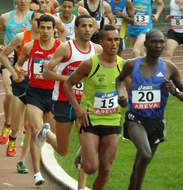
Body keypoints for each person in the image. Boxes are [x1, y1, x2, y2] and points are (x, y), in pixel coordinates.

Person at [116, 29, 183, 190]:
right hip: (136, 118)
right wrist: (121, 94)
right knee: (145, 153)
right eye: (154, 42)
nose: (158, 45)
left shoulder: (170, 68)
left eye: (162, 42)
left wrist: (175, 91)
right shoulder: (131, 64)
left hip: (156, 121)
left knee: (141, 162)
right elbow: (119, 79)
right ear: (146, 44)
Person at [38, 14, 102, 190]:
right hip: (63, 101)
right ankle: (46, 134)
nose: (87, 29)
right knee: (63, 150)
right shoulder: (66, 48)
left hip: (85, 104)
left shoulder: (96, 50)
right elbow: (46, 73)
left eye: (90, 26)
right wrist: (70, 79)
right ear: (76, 28)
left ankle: (81, 187)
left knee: (87, 150)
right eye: (83, 26)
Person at [61, 24, 123, 190]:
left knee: (106, 168)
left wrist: (124, 98)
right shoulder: (90, 63)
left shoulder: (122, 65)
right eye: (109, 40)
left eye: (116, 40)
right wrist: (77, 108)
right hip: (90, 121)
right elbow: (67, 84)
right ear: (101, 42)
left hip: (112, 120)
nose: (113, 43)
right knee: (90, 167)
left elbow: (127, 90)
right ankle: (83, 153)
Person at [15, 14, 61, 186]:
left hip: (53, 94)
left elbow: (69, 66)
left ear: (54, 30)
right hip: (34, 93)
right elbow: (19, 64)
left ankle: (46, 136)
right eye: (42, 27)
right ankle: (36, 173)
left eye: (49, 28)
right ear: (37, 28)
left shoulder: (60, 47)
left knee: (49, 138)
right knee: (35, 129)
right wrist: (19, 72)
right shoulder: (29, 46)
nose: (45, 31)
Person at [0, 10, 45, 173]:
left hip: (37, 87)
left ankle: (22, 161)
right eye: (37, 20)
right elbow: (4, 56)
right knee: (17, 125)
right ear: (31, 21)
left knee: (31, 126)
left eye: (42, 21)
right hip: (21, 83)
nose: (39, 24)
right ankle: (12, 137)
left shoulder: (48, 41)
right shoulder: (21, 38)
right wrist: (13, 72)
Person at [0, 0, 32, 145]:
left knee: (27, 99)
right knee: (9, 93)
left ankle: (23, 130)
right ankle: (7, 124)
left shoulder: (35, 17)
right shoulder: (5, 17)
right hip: (9, 58)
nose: (22, 1)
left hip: (27, 60)